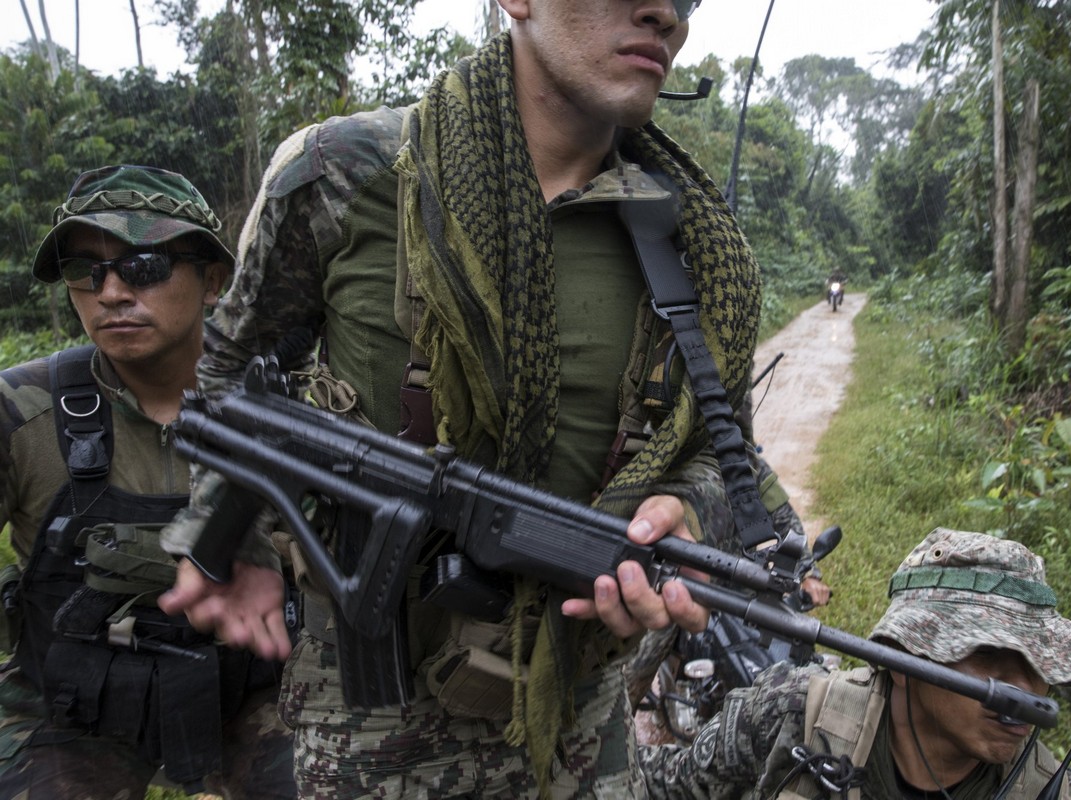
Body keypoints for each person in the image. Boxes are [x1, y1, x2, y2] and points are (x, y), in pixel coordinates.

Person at [157, 1, 808, 797]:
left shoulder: (696, 237)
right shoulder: (347, 171)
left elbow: (720, 441)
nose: (662, 12)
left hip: (581, 714)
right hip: (371, 720)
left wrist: (684, 505)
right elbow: (231, 369)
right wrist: (234, 543)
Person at [0, 165, 297, 798]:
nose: (110, 292)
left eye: (143, 266)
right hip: (70, 705)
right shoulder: (21, 410)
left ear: (212, 279)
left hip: (255, 693)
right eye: (85, 270)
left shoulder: (292, 409)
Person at [639, 528, 1071, 799]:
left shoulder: (1057, 795)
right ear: (900, 660)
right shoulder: (792, 714)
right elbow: (655, 789)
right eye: (989, 655)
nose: (1025, 690)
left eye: (1039, 662)